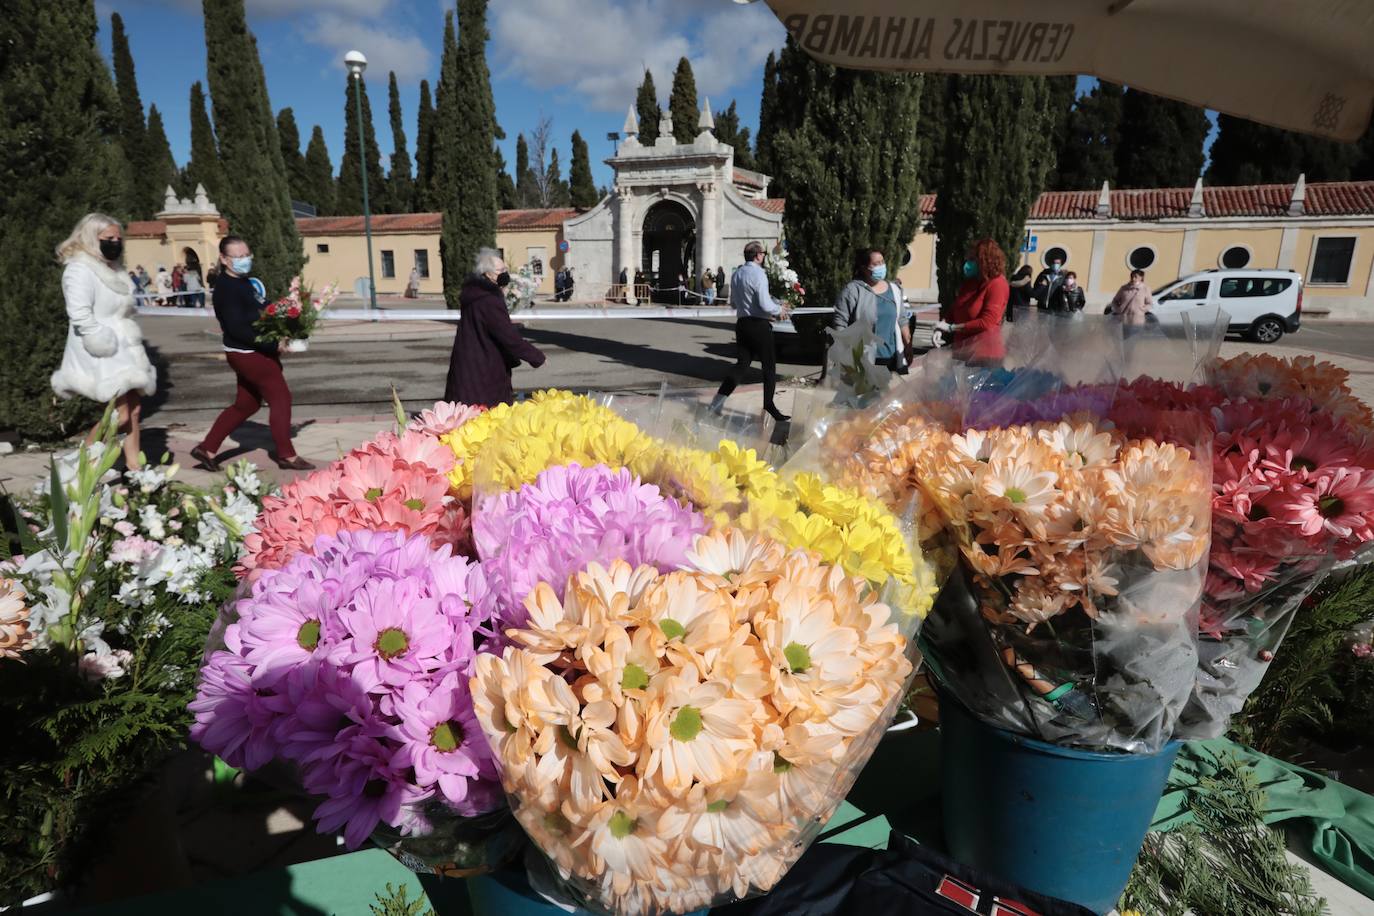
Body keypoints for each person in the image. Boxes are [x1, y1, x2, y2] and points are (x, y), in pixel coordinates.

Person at [191, 236, 314, 472]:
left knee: (246, 405)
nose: (244, 260)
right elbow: (238, 329)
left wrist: (287, 309)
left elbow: (262, 308)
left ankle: (206, 448)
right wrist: (273, 345)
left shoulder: (244, 283)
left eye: (246, 255)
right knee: (281, 399)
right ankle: (286, 456)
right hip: (249, 354)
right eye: (238, 257)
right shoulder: (226, 290)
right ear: (224, 259)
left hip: (246, 352)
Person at [51, 213, 157, 470]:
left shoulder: (114, 269)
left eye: (118, 238)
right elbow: (79, 313)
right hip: (101, 349)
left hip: (124, 346)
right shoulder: (79, 268)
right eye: (108, 238)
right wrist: (98, 340)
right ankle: (81, 467)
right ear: (90, 237)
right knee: (117, 415)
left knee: (133, 410)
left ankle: (135, 471)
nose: (115, 243)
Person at [444, 248, 546, 407]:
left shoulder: (474, 294)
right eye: (501, 271)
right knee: (486, 419)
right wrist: (536, 356)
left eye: (506, 269)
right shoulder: (489, 300)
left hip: (468, 363)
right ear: (488, 274)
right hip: (484, 370)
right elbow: (507, 335)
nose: (506, 274)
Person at [709, 241, 789, 422]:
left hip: (742, 324)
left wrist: (770, 306)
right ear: (757, 255)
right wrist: (779, 310)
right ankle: (769, 404)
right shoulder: (759, 274)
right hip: (759, 326)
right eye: (763, 253)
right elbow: (763, 303)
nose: (764, 256)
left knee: (742, 364)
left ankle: (717, 401)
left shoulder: (737, 274)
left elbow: (734, 303)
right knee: (769, 367)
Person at [832, 248, 912, 373]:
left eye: (882, 262)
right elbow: (840, 322)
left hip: (891, 358)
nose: (881, 266)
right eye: (876, 264)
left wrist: (908, 345)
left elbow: (902, 319)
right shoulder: (853, 290)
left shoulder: (894, 289)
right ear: (864, 268)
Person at [934, 238, 1009, 367]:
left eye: (973, 259)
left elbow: (987, 322)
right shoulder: (970, 283)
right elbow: (955, 308)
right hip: (962, 352)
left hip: (985, 356)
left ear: (985, 261)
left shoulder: (997, 284)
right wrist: (942, 326)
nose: (968, 263)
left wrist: (952, 328)